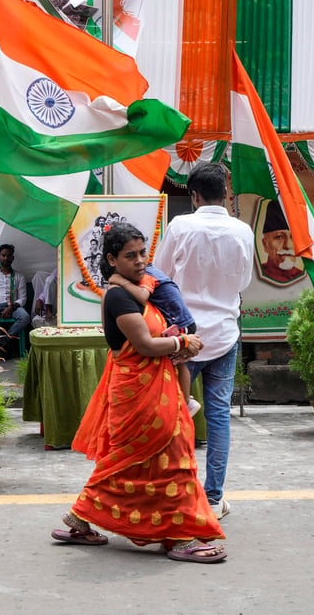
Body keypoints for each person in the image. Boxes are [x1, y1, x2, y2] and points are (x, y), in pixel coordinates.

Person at [53, 223, 226, 563]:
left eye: (142, 253)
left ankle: (80, 517)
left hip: (157, 387)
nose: (139, 261)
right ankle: (179, 539)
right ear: (112, 260)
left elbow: (156, 320)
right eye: (130, 256)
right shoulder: (117, 297)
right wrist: (181, 342)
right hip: (137, 393)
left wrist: (179, 346)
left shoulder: (138, 288)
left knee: (131, 463)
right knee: (170, 460)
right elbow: (145, 345)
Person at [155, 163, 255, 518]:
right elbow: (244, 282)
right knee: (218, 417)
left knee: (171, 415)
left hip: (183, 339)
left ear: (193, 195)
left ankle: (171, 495)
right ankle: (213, 499)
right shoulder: (243, 231)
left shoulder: (180, 226)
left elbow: (159, 276)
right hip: (225, 335)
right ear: (226, 193)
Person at [108, 263, 201, 417]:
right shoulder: (151, 272)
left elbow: (143, 297)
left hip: (179, 322)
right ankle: (184, 401)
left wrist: (120, 281)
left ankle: (185, 402)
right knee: (178, 364)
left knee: (179, 364)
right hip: (180, 320)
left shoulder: (148, 275)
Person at [0, 243, 29, 355]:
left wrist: (11, 308)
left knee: (25, 317)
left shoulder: (19, 276)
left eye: (8, 256)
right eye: (3, 255)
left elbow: (23, 298)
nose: (6, 258)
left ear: (12, 258)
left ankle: (4, 341)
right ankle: (3, 343)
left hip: (12, 306)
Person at [258, 199, 302, 283]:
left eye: (294, 237)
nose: (288, 245)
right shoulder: (256, 276)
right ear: (265, 244)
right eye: (279, 237)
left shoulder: (303, 276)